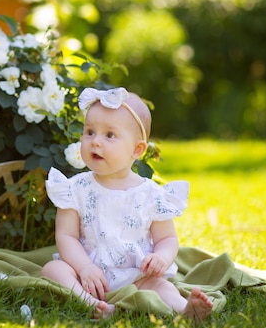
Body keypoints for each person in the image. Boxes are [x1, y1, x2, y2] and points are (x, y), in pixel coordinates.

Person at [41, 87, 213, 322]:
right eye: (89, 132)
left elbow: (167, 239)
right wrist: (84, 268)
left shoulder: (151, 194)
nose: (96, 142)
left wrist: (161, 258)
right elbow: (66, 236)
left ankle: (185, 309)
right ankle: (92, 303)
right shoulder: (74, 188)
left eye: (109, 135)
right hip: (89, 273)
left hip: (136, 273)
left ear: (137, 149)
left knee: (161, 286)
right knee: (53, 270)